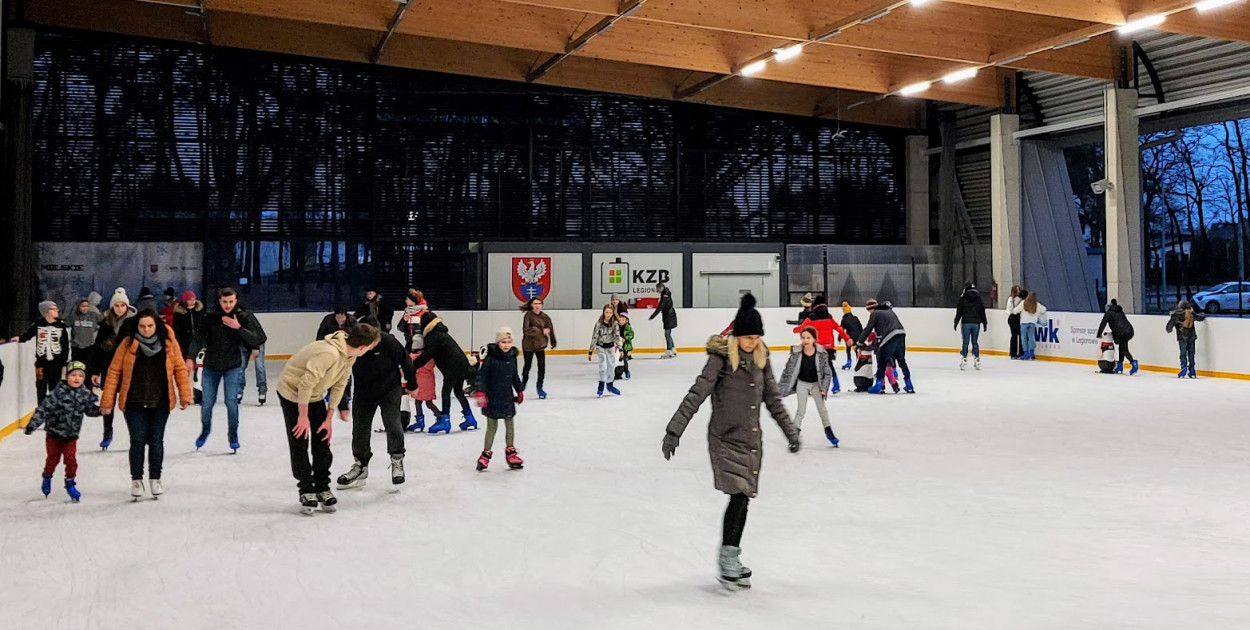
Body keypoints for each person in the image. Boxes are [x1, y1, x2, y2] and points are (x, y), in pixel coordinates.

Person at [662, 293, 800, 590]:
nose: (751, 342)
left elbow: (774, 401)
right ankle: (727, 559)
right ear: (736, 336)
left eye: (755, 337)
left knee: (743, 499)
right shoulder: (721, 360)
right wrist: (674, 430)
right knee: (738, 496)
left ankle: (731, 557)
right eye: (746, 337)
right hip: (725, 439)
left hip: (750, 441)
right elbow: (696, 394)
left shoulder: (762, 361)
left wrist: (791, 431)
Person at [276, 323, 380, 515]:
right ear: (363, 347)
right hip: (292, 393)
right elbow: (305, 384)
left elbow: (340, 384)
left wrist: (328, 417)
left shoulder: (349, 357)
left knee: (322, 439)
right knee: (300, 439)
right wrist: (302, 416)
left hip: (314, 395)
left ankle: (322, 487)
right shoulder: (329, 354)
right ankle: (306, 489)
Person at [99, 310, 192, 500]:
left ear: (157, 325)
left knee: (156, 441)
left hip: (160, 402)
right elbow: (114, 372)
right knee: (138, 441)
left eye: (150, 326)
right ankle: (136, 480)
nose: (146, 330)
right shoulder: (127, 344)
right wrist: (107, 401)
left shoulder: (168, 343)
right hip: (134, 401)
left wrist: (185, 395)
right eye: (142, 326)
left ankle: (155, 478)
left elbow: (180, 368)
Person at [336, 316, 417, 490]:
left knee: (393, 423)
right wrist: (342, 404)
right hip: (364, 392)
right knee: (360, 428)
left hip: (389, 389)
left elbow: (405, 360)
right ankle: (360, 465)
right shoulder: (354, 346)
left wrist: (412, 384)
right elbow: (341, 377)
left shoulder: (388, 341)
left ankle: (397, 460)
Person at [196, 287, 267, 452]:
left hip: (232, 366)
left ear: (236, 301)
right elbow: (198, 338)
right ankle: (205, 430)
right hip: (211, 366)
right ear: (219, 301)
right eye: (224, 302)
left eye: (231, 302)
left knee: (231, 402)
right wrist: (191, 357)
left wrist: (238, 327)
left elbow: (259, 338)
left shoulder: (243, 316)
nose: (228, 305)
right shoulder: (211, 317)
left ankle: (233, 435)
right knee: (207, 403)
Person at [24, 361, 100, 502]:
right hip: (54, 435)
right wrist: (32, 425)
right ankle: (47, 476)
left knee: (71, 460)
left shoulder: (84, 394)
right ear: (67, 376)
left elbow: (90, 410)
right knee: (53, 459)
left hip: (71, 436)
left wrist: (102, 410)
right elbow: (43, 409)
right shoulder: (57, 393)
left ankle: (70, 483)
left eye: (80, 376)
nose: (76, 378)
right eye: (73, 375)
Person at [411, 310, 475, 434]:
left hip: (452, 367)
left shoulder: (433, 336)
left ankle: (445, 421)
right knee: (457, 391)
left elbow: (427, 355)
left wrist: (412, 366)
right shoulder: (440, 333)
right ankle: (470, 418)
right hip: (461, 364)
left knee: (446, 392)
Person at [474, 327, 525, 472]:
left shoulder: (511, 358)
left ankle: (511, 452)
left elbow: (515, 375)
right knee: (492, 427)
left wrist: (519, 389)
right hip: (492, 397)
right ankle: (485, 454)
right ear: (498, 342)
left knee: (510, 425)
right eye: (503, 342)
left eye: (509, 342)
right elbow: (482, 377)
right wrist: (480, 392)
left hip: (507, 397)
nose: (506, 345)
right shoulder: (491, 359)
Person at [91, 289, 137, 449]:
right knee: (108, 401)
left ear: (127, 306)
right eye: (116, 305)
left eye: (122, 305)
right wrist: (95, 371)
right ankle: (107, 432)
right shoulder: (105, 324)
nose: (119, 308)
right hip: (109, 367)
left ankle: (135, 435)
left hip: (128, 368)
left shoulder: (134, 323)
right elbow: (97, 348)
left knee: (129, 403)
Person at [779, 327, 837, 446]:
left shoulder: (821, 353)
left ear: (814, 339)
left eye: (808, 337)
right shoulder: (796, 352)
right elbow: (788, 370)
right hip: (802, 384)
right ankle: (794, 436)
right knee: (801, 410)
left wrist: (824, 389)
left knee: (822, 410)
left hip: (816, 385)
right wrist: (781, 386)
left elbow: (827, 372)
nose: (805, 340)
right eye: (803, 337)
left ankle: (829, 432)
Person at [13, 300, 71, 404]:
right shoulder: (38, 324)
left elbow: (65, 346)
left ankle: (54, 407)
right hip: (41, 363)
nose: (57, 310)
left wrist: (64, 364)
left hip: (56, 363)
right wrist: (20, 338)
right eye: (53, 309)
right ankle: (42, 407)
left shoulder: (61, 326)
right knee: (41, 387)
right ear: (46, 312)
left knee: (55, 386)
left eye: (56, 308)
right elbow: (28, 334)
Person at [792, 295, 852, 393]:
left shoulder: (811, 318)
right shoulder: (829, 317)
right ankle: (836, 384)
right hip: (829, 346)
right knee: (829, 365)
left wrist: (795, 329)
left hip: (817, 347)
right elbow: (839, 329)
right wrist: (847, 338)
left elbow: (801, 328)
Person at [857, 299, 914, 394]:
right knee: (901, 361)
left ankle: (878, 384)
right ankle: (909, 384)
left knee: (882, 361)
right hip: (901, 334)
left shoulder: (875, 314)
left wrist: (859, 342)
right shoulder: (889, 311)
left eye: (868, 310)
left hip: (889, 337)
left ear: (871, 308)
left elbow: (868, 329)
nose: (869, 312)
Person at [520, 296, 556, 399]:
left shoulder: (545, 317)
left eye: (539, 304)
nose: (537, 306)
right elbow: (526, 330)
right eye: (535, 304)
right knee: (527, 365)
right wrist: (540, 330)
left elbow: (550, 329)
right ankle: (522, 385)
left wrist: (553, 341)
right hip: (528, 345)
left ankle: (540, 387)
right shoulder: (528, 316)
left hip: (540, 345)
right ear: (531, 305)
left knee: (541, 367)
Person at [1166, 300, 1205, 378]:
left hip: (1182, 336)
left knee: (1183, 353)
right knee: (1191, 353)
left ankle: (1183, 368)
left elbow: (1169, 327)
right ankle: (1192, 369)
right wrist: (1203, 314)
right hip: (1192, 336)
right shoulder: (1191, 313)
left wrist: (1169, 329)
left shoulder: (1176, 314)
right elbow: (1199, 317)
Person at [953, 282, 988, 371]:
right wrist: (984, 323)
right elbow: (982, 310)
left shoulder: (963, 298)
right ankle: (977, 359)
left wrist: (956, 322)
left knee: (965, 342)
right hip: (976, 323)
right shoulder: (978, 298)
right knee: (975, 342)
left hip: (966, 322)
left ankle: (964, 359)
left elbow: (959, 311)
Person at [589, 304, 621, 397]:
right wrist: (590, 350)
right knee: (603, 366)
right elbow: (594, 336)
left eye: (610, 312)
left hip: (610, 347)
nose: (608, 314)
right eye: (607, 312)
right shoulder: (599, 323)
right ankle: (601, 384)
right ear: (603, 312)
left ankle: (610, 384)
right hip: (601, 347)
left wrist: (620, 348)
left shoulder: (614, 323)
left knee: (611, 365)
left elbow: (617, 336)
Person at [1097, 298, 1136, 374]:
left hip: (1121, 333)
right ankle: (1120, 365)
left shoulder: (1109, 313)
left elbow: (1103, 323)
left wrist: (1099, 334)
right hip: (1129, 331)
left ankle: (1134, 363)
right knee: (1121, 347)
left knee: (1124, 349)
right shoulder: (1120, 311)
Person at [173, 291, 205, 381]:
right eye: (190, 299)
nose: (193, 301)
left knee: (198, 361)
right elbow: (176, 329)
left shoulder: (199, 311)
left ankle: (197, 378)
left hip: (198, 341)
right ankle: (184, 378)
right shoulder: (179, 313)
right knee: (184, 363)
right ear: (185, 301)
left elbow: (203, 325)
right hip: (184, 342)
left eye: (194, 299)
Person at [1014, 292, 1047, 361]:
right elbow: (1044, 309)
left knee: (1024, 338)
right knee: (1031, 337)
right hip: (1032, 323)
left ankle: (1026, 352)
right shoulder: (1036, 304)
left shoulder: (1023, 303)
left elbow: (1015, 311)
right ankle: (1031, 352)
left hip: (1024, 323)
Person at [68, 298, 100, 366]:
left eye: (87, 306)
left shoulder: (94, 316)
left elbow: (105, 321)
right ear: (78, 306)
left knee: (88, 368)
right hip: (76, 347)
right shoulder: (73, 316)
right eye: (83, 306)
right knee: (76, 367)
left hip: (89, 347)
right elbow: (65, 325)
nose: (85, 308)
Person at [649, 283, 678, 358]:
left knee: (667, 334)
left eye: (657, 289)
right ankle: (672, 349)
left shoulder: (665, 296)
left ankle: (669, 350)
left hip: (668, 316)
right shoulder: (666, 294)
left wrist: (653, 316)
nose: (657, 290)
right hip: (670, 315)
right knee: (668, 334)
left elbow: (660, 307)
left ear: (661, 288)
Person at [839, 302, 863, 370]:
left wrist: (839, 337)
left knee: (848, 349)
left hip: (849, 337)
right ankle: (859, 362)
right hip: (858, 336)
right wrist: (862, 336)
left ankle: (849, 361)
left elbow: (841, 329)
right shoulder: (855, 318)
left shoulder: (844, 319)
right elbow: (860, 327)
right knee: (857, 350)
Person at [615, 312, 634, 381]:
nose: (621, 321)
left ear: (626, 320)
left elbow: (631, 335)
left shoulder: (628, 327)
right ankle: (617, 373)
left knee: (624, 359)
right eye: (620, 320)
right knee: (619, 359)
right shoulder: (617, 327)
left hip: (625, 346)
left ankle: (626, 371)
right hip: (618, 346)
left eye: (623, 320)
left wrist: (625, 338)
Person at [1006, 286, 1024, 359]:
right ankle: (1018, 353)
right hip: (1015, 317)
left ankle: (1015, 353)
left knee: (1016, 335)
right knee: (1017, 335)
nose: (1018, 291)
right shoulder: (1020, 300)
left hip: (1012, 317)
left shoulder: (1010, 299)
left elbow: (1008, 310)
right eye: (1017, 290)